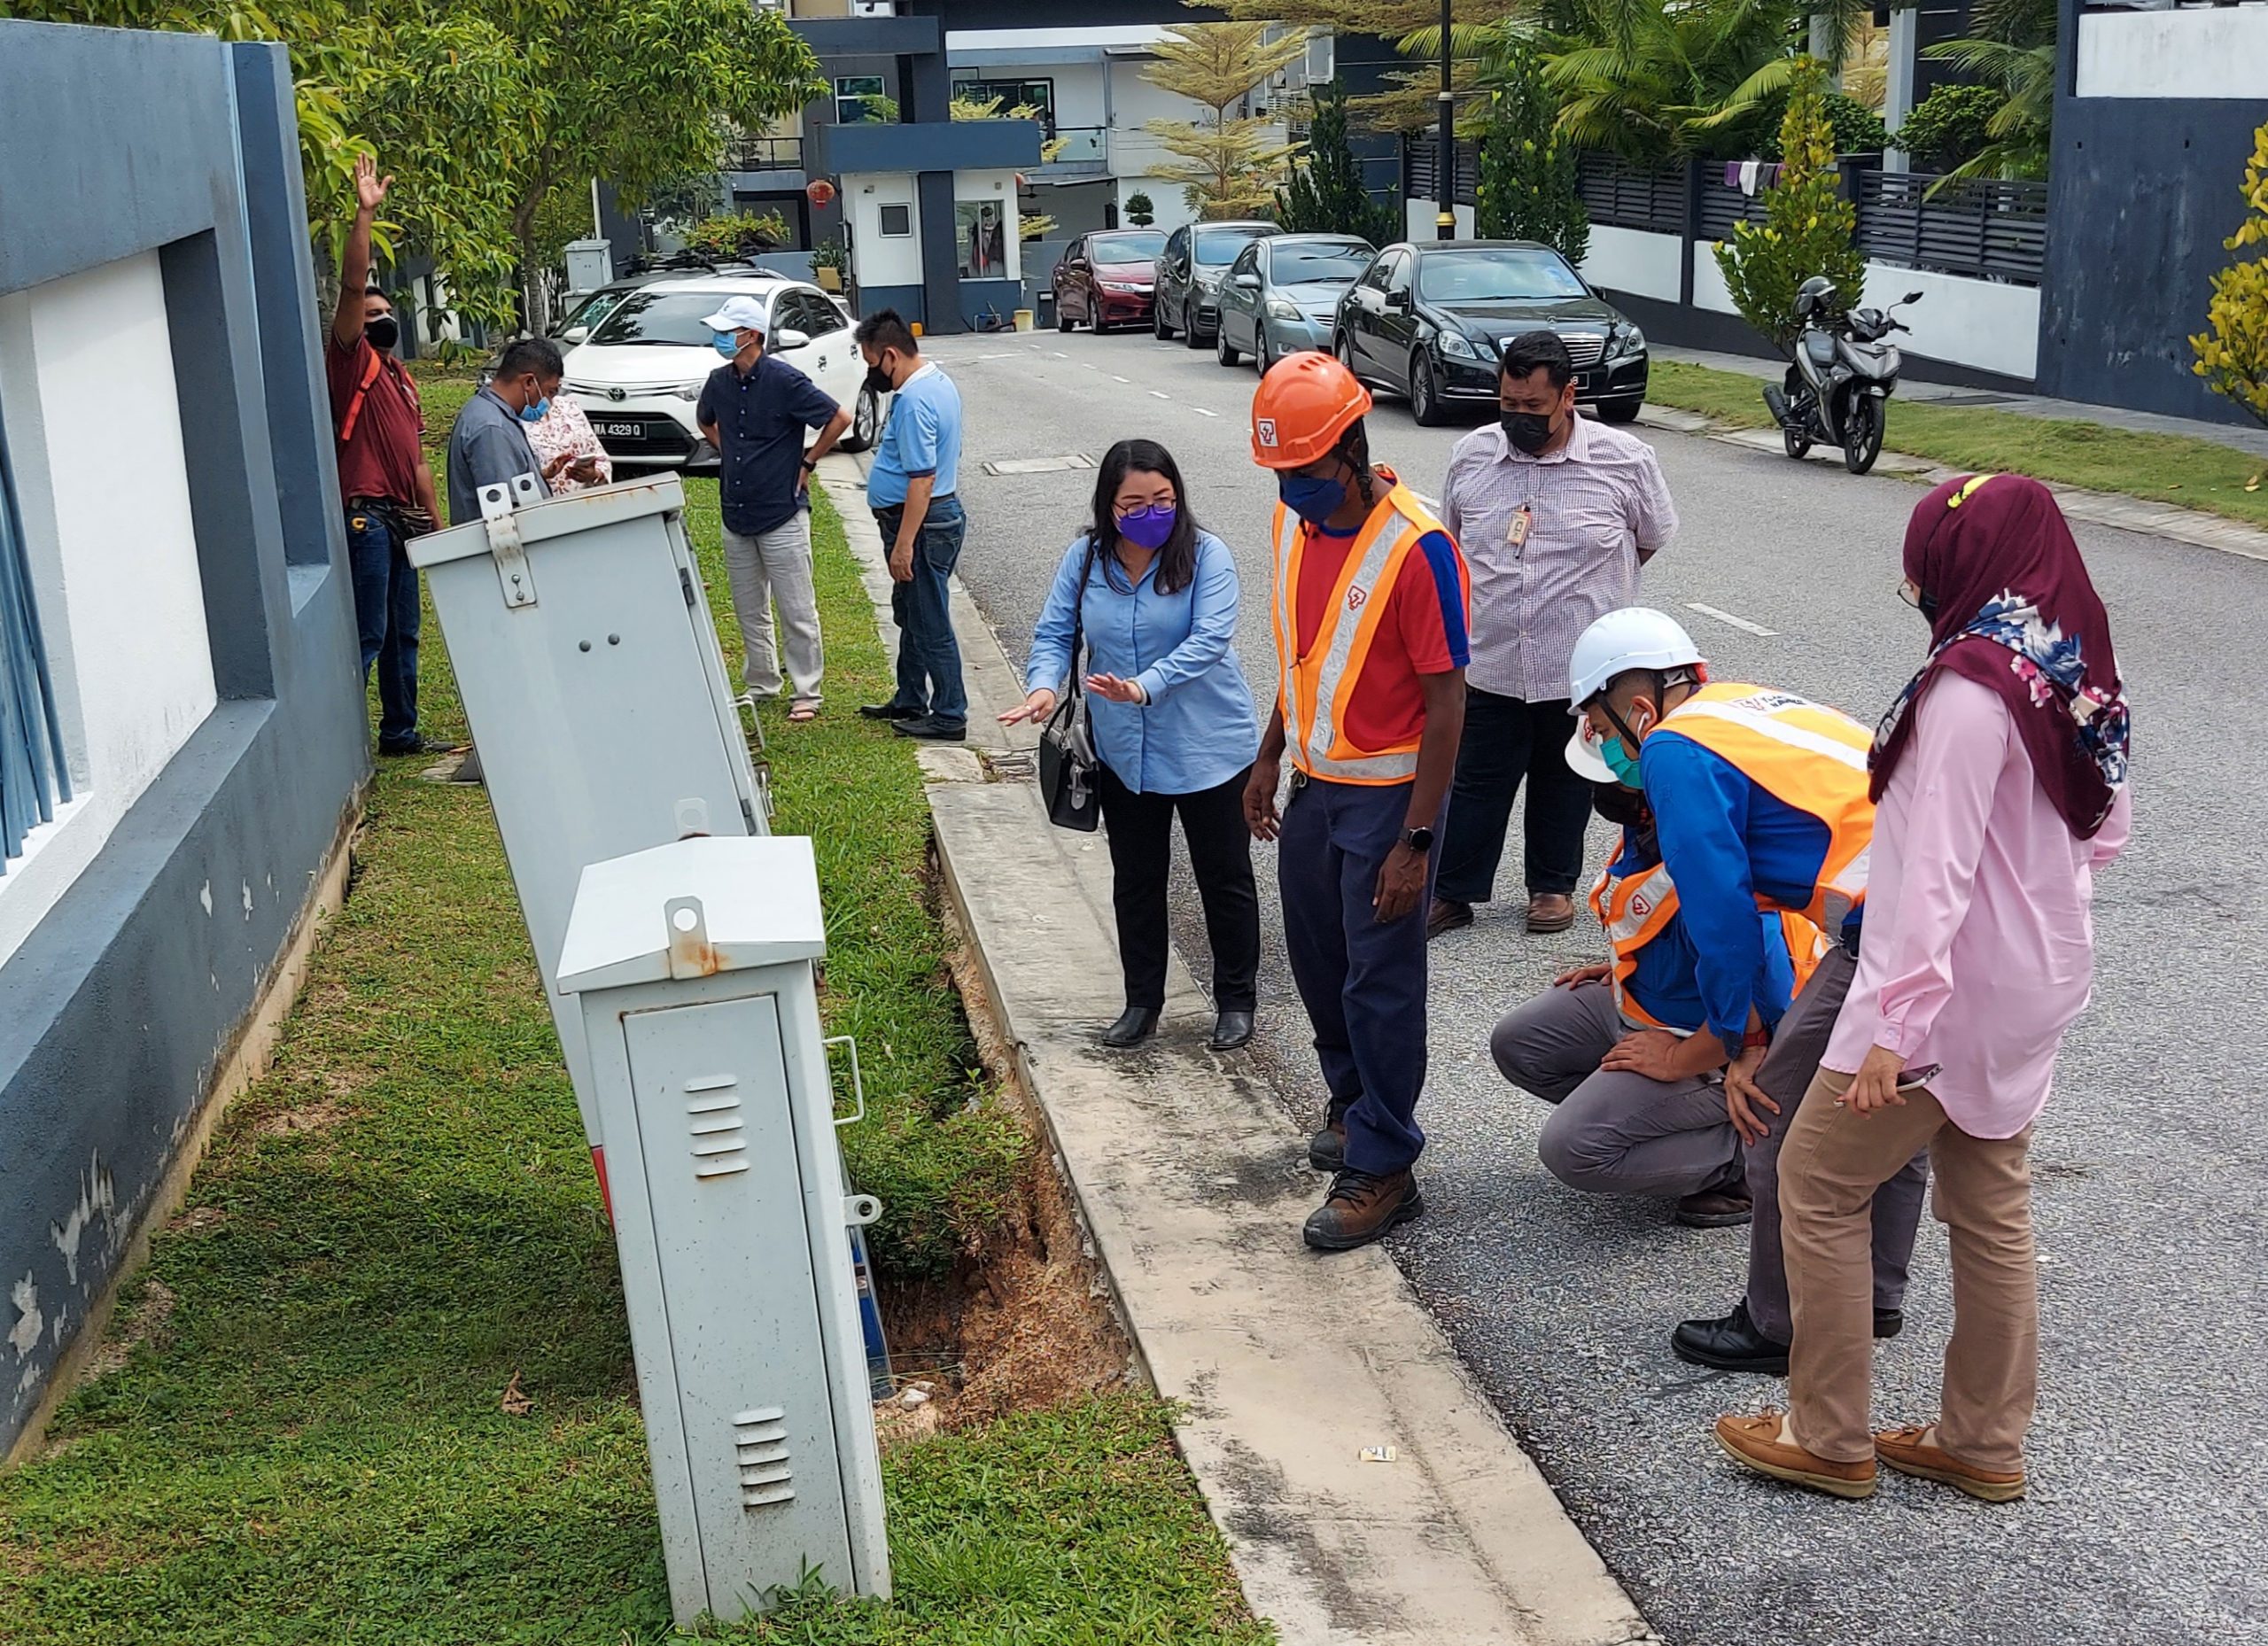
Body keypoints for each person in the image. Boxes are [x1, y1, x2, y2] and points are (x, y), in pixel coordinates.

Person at [1714, 474, 2131, 1502]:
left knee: (1816, 1180)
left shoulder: (1967, 691)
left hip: (1948, 989)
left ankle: (1827, 1433)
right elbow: (2104, 828)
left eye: (1924, 573)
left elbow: (1934, 870)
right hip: (2036, 973)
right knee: (1989, 1201)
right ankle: (1981, 1441)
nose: (1919, 591)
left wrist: (1894, 1026)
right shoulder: (2067, 659)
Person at [1565, 609, 1924, 1376]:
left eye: (1597, 726)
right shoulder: (1739, 704)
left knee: (1776, 1118)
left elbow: (1721, 913)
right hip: (1945, 911)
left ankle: (1778, 1324)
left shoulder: (1672, 748)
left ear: (1636, 710)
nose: (1602, 745)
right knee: (1893, 1107)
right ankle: (1874, 1297)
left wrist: (1741, 1043)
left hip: (1891, 927)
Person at [1244, 353, 1470, 1252]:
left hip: (1387, 803)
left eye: (1301, 469)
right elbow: (1302, 658)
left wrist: (1418, 840)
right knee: (1317, 959)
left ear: (1348, 448)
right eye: (1278, 471)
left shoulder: (1418, 549)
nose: (1288, 486)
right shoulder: (1292, 526)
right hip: (1312, 785)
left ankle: (1385, 1163)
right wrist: (1268, 756)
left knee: (1379, 982)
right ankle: (1352, 1104)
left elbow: (1448, 703)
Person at [1001, 439, 1262, 1052]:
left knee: (1224, 878)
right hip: (1124, 752)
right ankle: (1142, 1001)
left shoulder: (1207, 555)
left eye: (1163, 500)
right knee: (1136, 880)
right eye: (1135, 504)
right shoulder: (1086, 559)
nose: (1152, 513)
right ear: (1109, 506)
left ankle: (1236, 1001)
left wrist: (1145, 686)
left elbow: (1210, 640)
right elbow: (1055, 632)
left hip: (1208, 748)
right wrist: (1043, 688)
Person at [1430, 331, 1677, 942]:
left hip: (1578, 666)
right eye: (1508, 405)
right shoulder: (1472, 457)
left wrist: (1591, 592)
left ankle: (1551, 886)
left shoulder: (1625, 460)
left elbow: (1650, 537)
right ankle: (1453, 891)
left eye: (1534, 407)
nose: (1520, 418)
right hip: (1491, 658)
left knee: (1565, 777)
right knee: (1476, 780)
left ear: (1569, 396)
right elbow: (1454, 546)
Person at [1489, 778, 1826, 1227]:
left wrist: (1676, 1061)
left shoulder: (1714, 865)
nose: (1608, 781)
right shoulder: (1654, 830)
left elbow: (1763, 1004)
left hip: (1727, 1042)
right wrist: (1635, 962)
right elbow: (1658, 915)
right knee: (1520, 1043)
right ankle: (1659, 1124)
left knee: (1574, 1149)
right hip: (1654, 1006)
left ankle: (1752, 1158)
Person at [327, 154, 444, 757]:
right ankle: (339, 749)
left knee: (404, 633)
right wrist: (364, 215)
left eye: (386, 313)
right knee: (369, 634)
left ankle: (400, 732)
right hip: (367, 519)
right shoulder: (352, 364)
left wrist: (435, 525)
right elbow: (353, 284)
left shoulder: (402, 379)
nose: (381, 320)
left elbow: (418, 460)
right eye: (371, 315)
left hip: (401, 521)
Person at [696, 293, 852, 724]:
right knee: (749, 608)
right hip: (736, 510)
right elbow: (705, 420)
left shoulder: (785, 379)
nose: (719, 339)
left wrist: (808, 461)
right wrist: (730, 452)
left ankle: (807, 691)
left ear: (751, 336)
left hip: (782, 510)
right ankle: (762, 683)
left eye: (727, 332)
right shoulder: (718, 381)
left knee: (796, 608)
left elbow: (838, 417)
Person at [853, 311, 967, 742]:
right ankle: (910, 697)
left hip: (920, 523)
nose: (872, 374)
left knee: (929, 619)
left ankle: (949, 713)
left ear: (890, 355)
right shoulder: (936, 382)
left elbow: (922, 479)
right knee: (912, 612)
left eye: (872, 364)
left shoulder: (917, 400)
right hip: (928, 519)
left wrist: (904, 544)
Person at [444, 337, 597, 526]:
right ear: (529, 382)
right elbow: (504, 513)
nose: (549, 403)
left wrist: (540, 476)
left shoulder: (496, 415)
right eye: (550, 392)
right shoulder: (492, 429)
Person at [523, 391, 612, 497]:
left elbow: (600, 457)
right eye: (550, 390)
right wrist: (544, 474)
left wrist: (594, 475)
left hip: (581, 501)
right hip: (540, 502)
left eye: (554, 390)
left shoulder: (568, 406)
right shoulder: (514, 415)